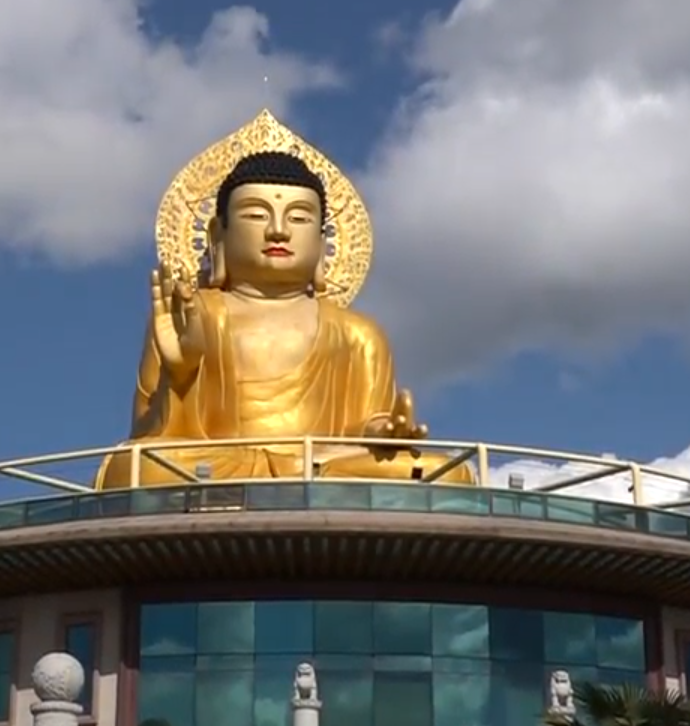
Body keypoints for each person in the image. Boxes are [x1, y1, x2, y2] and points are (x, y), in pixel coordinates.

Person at [95, 127, 473, 489]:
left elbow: (364, 428)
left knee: (448, 472)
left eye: (299, 217)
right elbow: (148, 437)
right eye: (256, 214)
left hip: (324, 462)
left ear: (322, 242)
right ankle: (300, 475)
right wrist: (179, 378)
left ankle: (301, 473)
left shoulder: (359, 334)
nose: (278, 230)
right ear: (217, 235)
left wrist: (383, 435)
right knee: (137, 467)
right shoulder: (190, 315)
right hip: (227, 464)